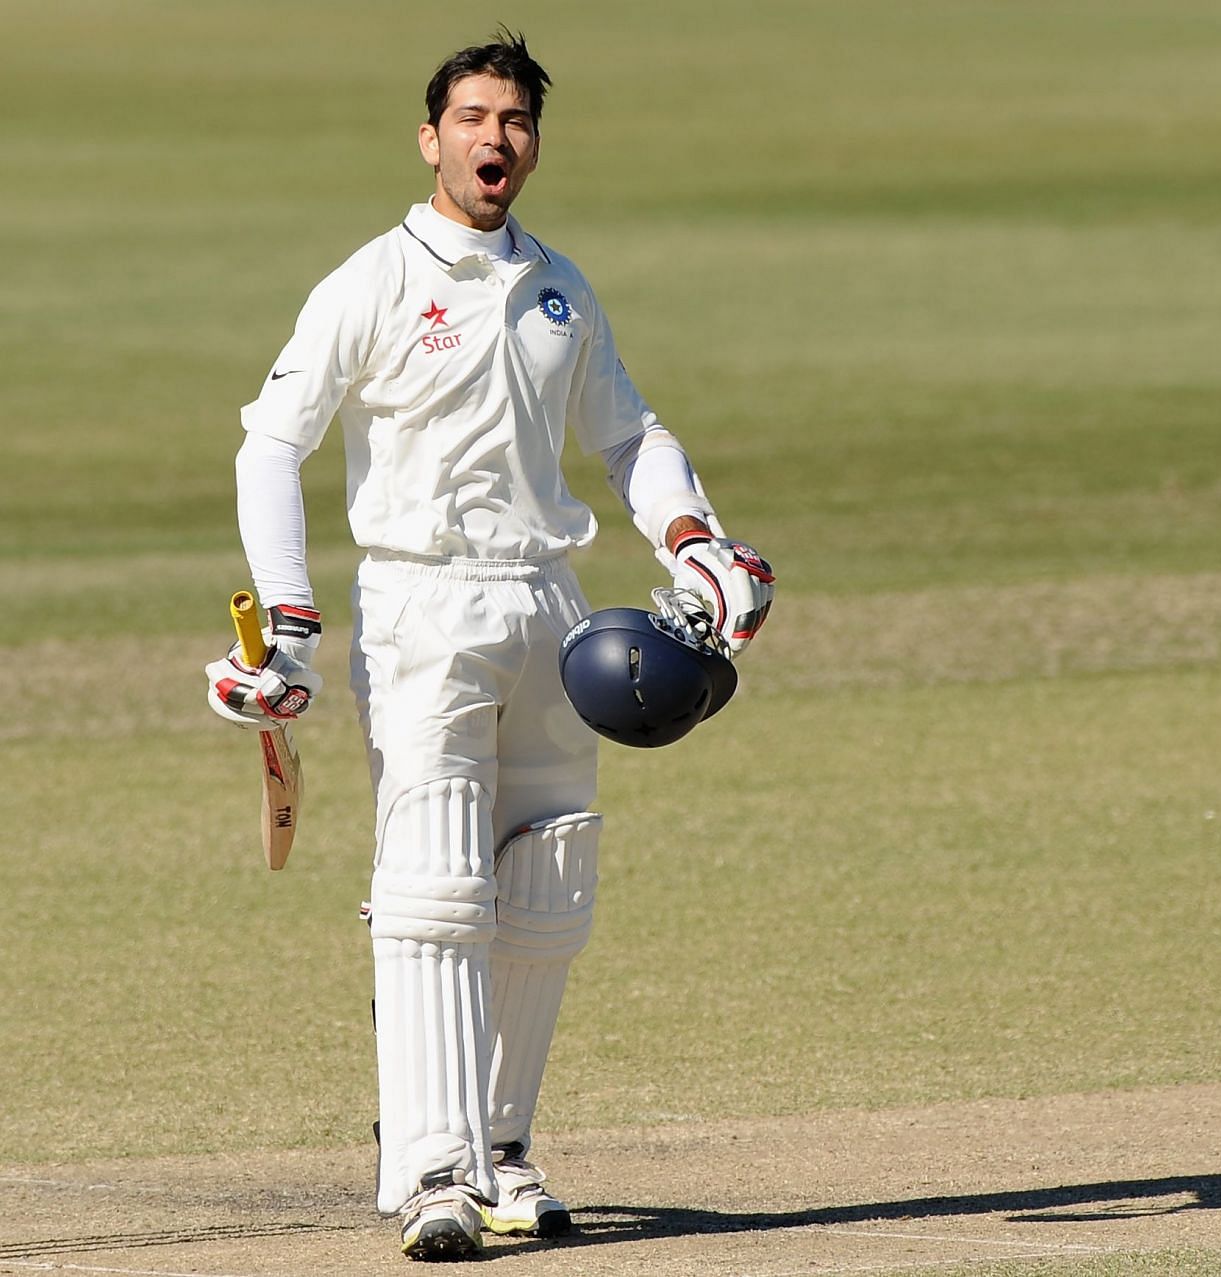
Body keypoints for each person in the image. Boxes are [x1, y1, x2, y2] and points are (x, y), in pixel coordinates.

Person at [203, 31, 773, 1262]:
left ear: (533, 142)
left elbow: (631, 436)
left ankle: (503, 1149)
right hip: (420, 607)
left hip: (549, 605)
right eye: (471, 118)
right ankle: (427, 1169)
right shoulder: (371, 278)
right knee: (437, 884)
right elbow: (269, 443)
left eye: (514, 120)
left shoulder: (559, 285)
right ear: (431, 139)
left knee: (550, 882)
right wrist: (289, 614)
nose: (494, 139)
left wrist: (696, 541)